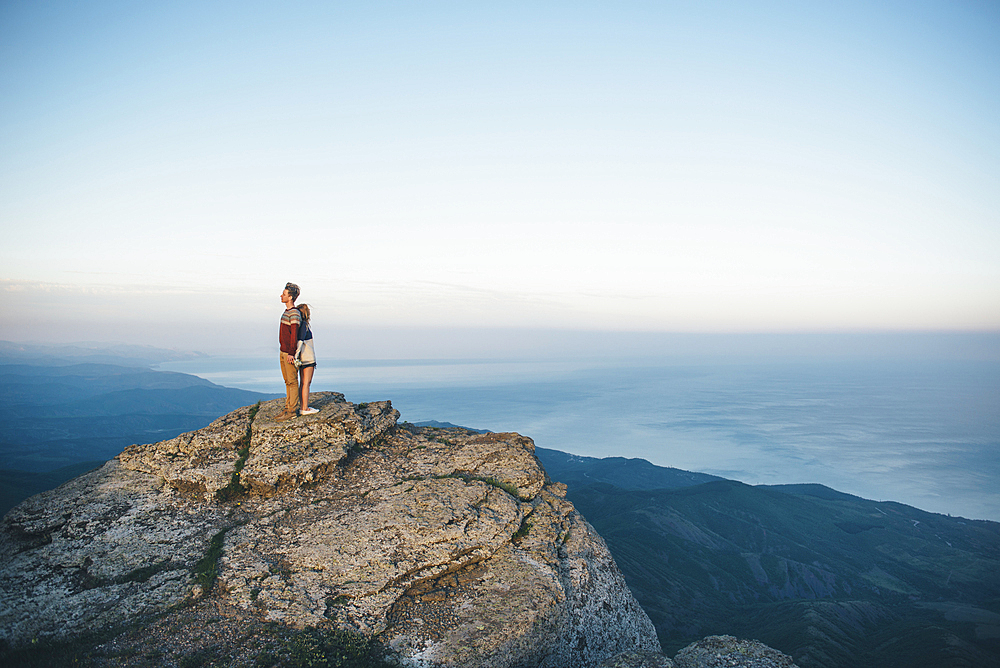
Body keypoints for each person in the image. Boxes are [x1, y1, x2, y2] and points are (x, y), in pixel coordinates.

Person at [276, 282, 301, 421]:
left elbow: (294, 335)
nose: (281, 296)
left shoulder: (294, 313)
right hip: (283, 351)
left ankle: (292, 410)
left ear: (290, 297)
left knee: (292, 380)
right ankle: (287, 408)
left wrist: (291, 352)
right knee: (287, 381)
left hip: (288, 352)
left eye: (284, 294)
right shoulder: (287, 312)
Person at [296, 303, 318, 415]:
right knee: (306, 383)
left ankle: (302, 406)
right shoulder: (304, 325)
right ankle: (305, 408)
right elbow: (300, 341)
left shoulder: (300, 325)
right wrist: (296, 354)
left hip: (302, 358)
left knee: (303, 383)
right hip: (308, 359)